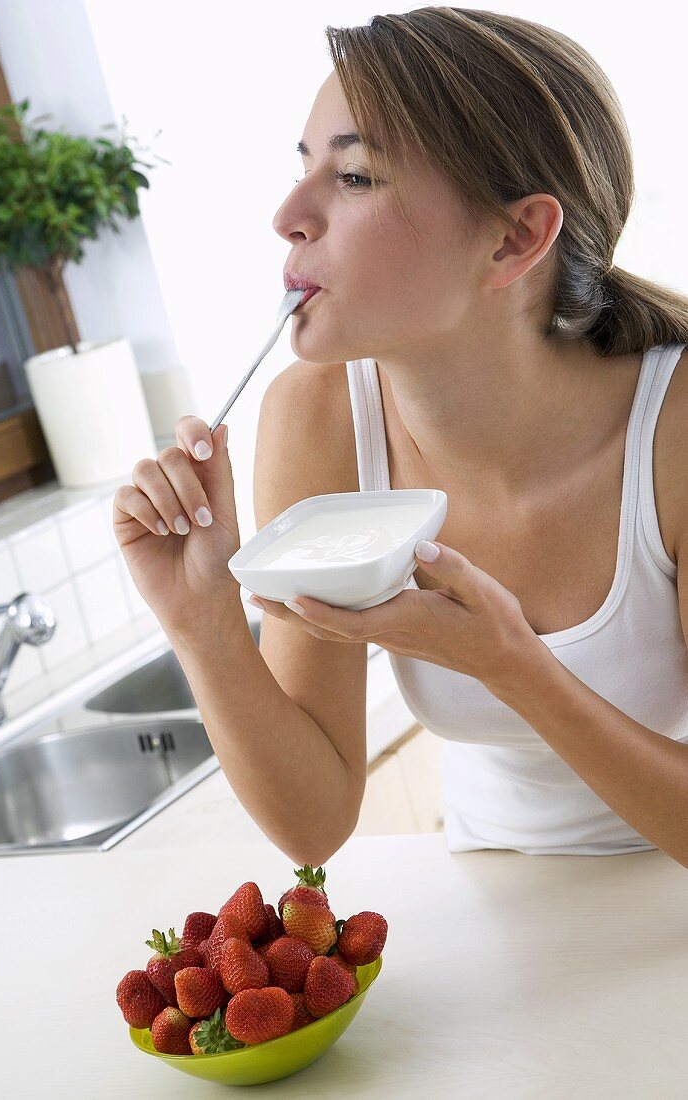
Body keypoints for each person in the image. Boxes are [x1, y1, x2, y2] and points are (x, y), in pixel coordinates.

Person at [113, 8, 688, 868]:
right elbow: (314, 823)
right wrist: (203, 624)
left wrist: (510, 664)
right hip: (494, 898)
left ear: (515, 237)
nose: (287, 215)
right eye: (304, 165)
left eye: (355, 177)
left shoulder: (673, 429)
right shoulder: (315, 419)